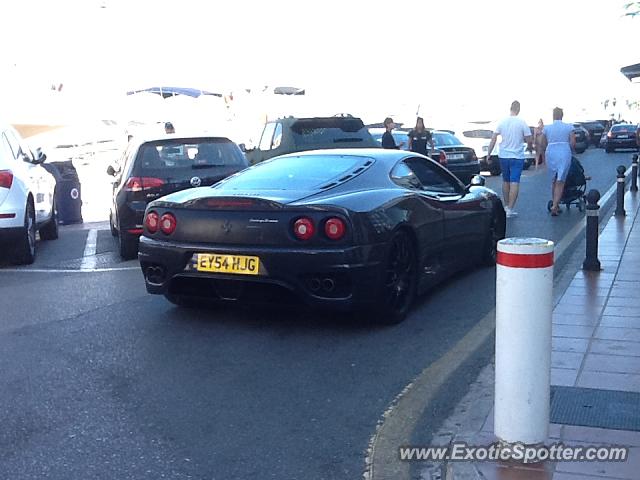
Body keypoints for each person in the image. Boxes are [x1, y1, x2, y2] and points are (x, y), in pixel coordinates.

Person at [486, 100, 533, 218]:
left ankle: (506, 206)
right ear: (519, 109)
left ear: (510, 108)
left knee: (505, 181)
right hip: (517, 156)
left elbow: (494, 138)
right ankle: (510, 208)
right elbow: (529, 138)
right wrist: (530, 148)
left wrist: (489, 153)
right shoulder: (522, 122)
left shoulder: (502, 122)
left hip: (503, 155)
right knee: (515, 181)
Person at [541, 107, 576, 216]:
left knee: (554, 179)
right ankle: (555, 205)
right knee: (561, 180)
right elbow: (573, 142)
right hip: (564, 151)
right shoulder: (569, 127)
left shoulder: (547, 128)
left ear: (553, 115)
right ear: (562, 115)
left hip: (550, 151)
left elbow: (542, 142)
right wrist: (570, 150)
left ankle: (555, 204)